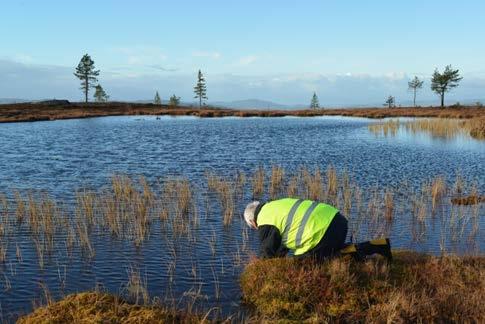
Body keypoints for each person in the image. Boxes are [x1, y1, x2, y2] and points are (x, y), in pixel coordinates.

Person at [243, 198, 392, 262]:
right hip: (337, 221)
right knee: (331, 251)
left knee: (304, 263)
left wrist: (261, 270)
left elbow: (267, 253)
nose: (257, 229)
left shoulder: (264, 219)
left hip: (324, 231)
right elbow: (281, 245)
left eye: (253, 227)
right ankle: (379, 245)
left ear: (252, 221)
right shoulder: (274, 206)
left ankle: (359, 257)